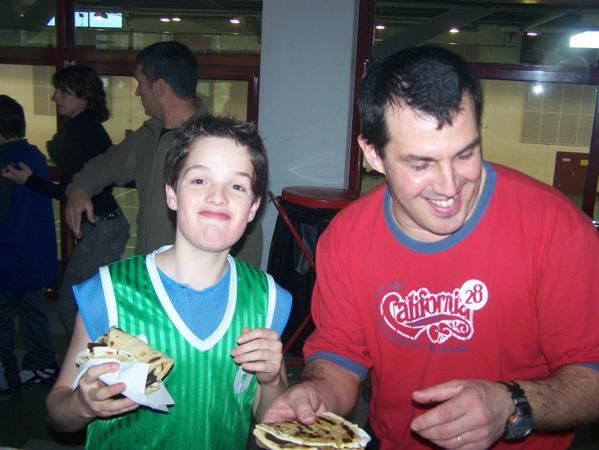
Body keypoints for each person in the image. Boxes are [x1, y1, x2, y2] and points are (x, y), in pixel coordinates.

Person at [261, 46, 599, 450]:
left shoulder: (557, 229)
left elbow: (592, 377)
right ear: (372, 154)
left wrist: (511, 403)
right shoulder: (347, 239)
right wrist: (316, 395)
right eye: (420, 165)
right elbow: (340, 357)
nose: (449, 185)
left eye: (465, 153)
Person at [46, 114, 292, 449]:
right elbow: (58, 415)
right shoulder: (110, 292)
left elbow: (269, 428)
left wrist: (274, 381)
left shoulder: (269, 301)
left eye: (237, 186)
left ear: (252, 208)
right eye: (199, 181)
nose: (218, 196)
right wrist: (81, 403)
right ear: (172, 194)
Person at [64, 41, 263, 268]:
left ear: (159, 87)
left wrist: (242, 288)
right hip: (150, 273)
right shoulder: (148, 135)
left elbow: (247, 228)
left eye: (140, 83)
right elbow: (105, 166)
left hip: (196, 282)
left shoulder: (213, 143)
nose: (138, 91)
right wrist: (79, 189)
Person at [2, 65, 130, 338]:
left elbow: (77, 193)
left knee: (71, 307)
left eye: (62, 91)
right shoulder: (88, 129)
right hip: (104, 228)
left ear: (83, 97)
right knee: (83, 304)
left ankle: (96, 364)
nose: (54, 98)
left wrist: (30, 181)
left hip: (102, 229)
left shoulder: (81, 132)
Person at [0, 95, 58, 393]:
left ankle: (6, 373)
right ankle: (43, 365)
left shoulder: (4, 161)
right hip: (36, 255)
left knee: (4, 318)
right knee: (34, 314)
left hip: (9, 258)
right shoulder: (33, 155)